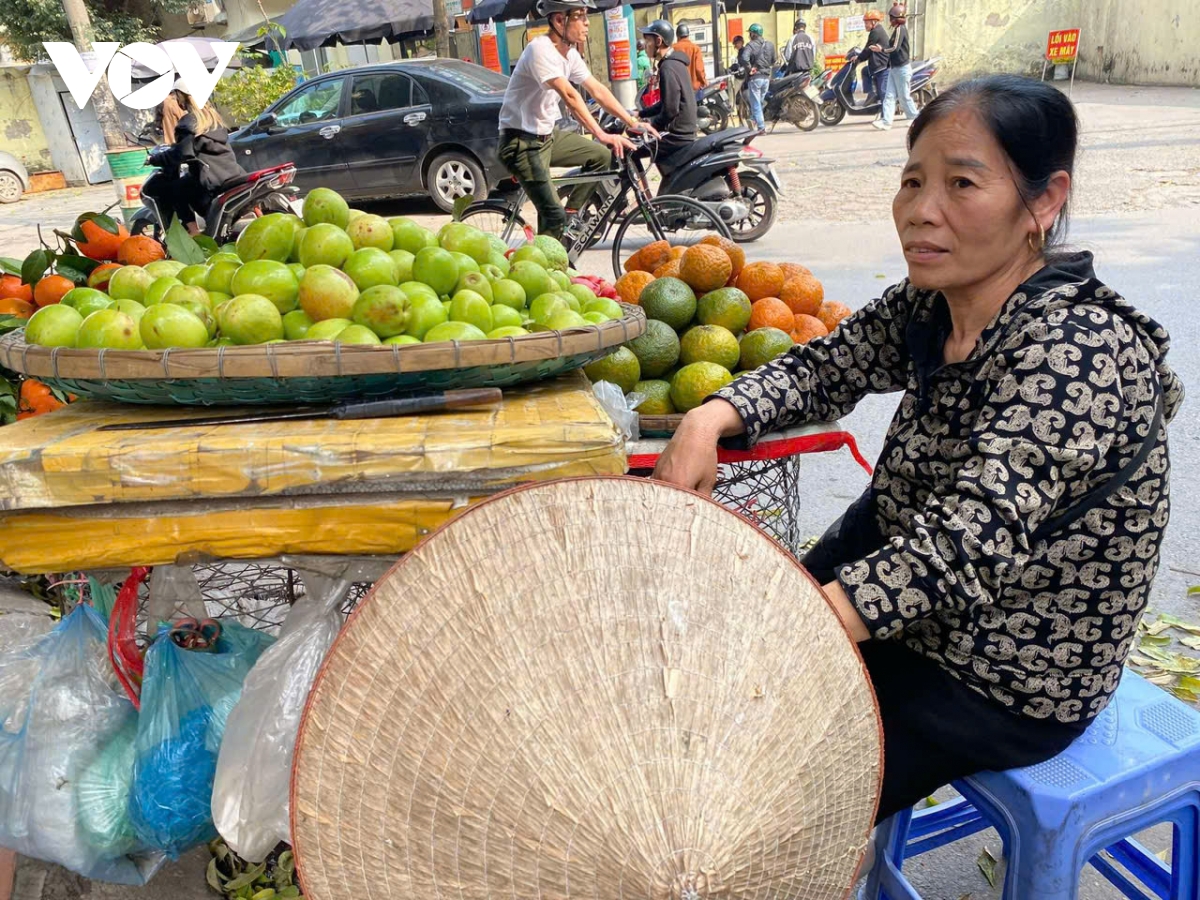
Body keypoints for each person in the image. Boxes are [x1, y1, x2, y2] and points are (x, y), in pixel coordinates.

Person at [653, 75, 1182, 830]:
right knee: (722, 676)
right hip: (902, 577)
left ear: (1044, 200)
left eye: (961, 183)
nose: (920, 212)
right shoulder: (933, 300)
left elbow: (964, 544)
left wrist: (806, 621)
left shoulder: (1078, 350)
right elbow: (826, 365)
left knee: (763, 784)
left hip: (1006, 665)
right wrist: (711, 417)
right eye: (912, 181)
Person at [497, 0, 643, 240]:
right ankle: (545, 270)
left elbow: (598, 90)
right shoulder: (540, 49)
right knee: (553, 217)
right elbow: (570, 96)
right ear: (558, 20)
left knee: (602, 156)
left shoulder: (570, 54)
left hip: (547, 137)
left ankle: (572, 212)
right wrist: (602, 134)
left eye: (586, 16)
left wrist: (632, 122)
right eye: (580, 16)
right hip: (520, 143)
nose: (587, 23)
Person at [140, 79, 246, 236]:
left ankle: (193, 232)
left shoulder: (190, 122)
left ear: (183, 96)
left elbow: (181, 153)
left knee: (175, 188)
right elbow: (191, 149)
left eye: (177, 96)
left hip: (210, 179)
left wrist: (154, 159)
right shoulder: (212, 117)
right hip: (230, 173)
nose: (176, 100)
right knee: (185, 183)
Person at [637, 20, 697, 174]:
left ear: (659, 41)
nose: (646, 45)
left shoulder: (667, 68)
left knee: (630, 150)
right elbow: (666, 102)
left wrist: (652, 127)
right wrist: (641, 114)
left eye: (648, 40)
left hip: (676, 137)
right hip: (684, 132)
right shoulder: (676, 64)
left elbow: (670, 110)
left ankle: (644, 197)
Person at [874, 4, 921, 130]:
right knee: (889, 95)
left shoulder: (901, 29)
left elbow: (895, 48)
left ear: (897, 18)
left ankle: (915, 118)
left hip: (901, 68)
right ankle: (886, 122)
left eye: (891, 18)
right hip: (894, 68)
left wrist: (881, 50)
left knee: (904, 95)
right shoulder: (897, 30)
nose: (890, 20)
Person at [743, 23, 775, 131]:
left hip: (756, 78)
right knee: (759, 102)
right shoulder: (770, 44)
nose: (749, 35)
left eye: (750, 33)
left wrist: (749, 69)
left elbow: (744, 58)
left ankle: (761, 128)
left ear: (753, 34)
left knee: (756, 103)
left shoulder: (750, 45)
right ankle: (753, 120)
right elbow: (773, 60)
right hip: (766, 78)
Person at [861, 9, 891, 109]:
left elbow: (868, 49)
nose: (865, 25)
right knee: (865, 71)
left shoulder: (876, 32)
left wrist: (858, 59)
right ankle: (871, 93)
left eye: (867, 23)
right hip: (878, 65)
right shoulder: (877, 30)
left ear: (874, 22)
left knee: (883, 93)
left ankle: (885, 118)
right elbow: (868, 48)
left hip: (882, 66)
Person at [672, 22, 708, 95]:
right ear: (688, 35)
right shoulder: (695, 48)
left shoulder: (672, 48)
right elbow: (699, 69)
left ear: (677, 36)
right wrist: (704, 81)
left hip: (678, 89)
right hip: (693, 88)